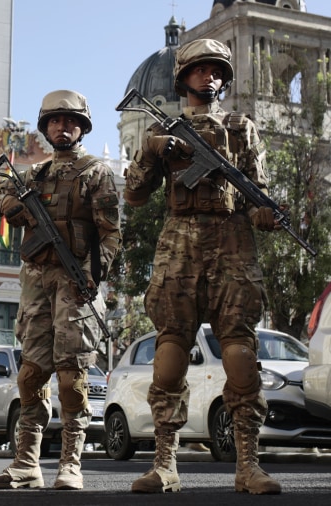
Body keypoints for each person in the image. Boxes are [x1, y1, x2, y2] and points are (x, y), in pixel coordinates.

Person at [123, 38, 281, 495]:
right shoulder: (164, 131)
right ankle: (164, 463)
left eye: (216, 71)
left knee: (240, 355)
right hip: (179, 245)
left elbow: (256, 195)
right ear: (183, 77)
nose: (208, 77)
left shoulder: (241, 128)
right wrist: (153, 152)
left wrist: (265, 215)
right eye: (199, 70)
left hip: (233, 244)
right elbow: (134, 195)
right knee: (170, 356)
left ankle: (248, 464)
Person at [0, 90, 121, 490]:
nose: (63, 127)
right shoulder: (32, 175)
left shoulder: (97, 172)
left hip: (75, 284)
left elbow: (111, 235)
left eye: (71, 121)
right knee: (30, 375)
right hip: (36, 284)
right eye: (56, 121)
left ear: (82, 128)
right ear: (45, 127)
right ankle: (26, 462)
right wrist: (11, 206)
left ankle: (71, 464)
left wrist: (94, 273)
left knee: (72, 376)